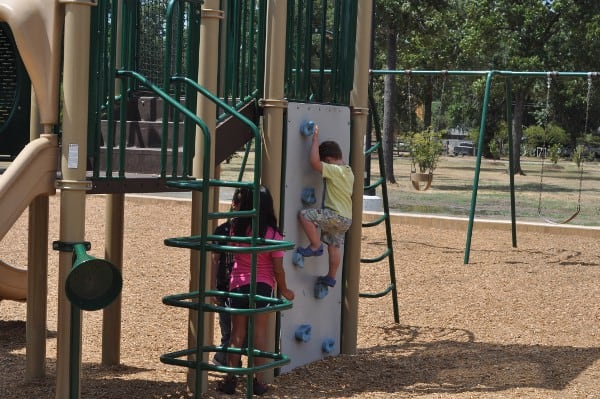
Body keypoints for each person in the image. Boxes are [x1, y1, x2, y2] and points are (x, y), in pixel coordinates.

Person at [218, 185, 294, 396]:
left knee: (237, 333)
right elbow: (278, 268)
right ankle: (258, 381)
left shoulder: (237, 229)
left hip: (238, 285)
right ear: (268, 207)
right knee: (259, 333)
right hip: (263, 286)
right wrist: (285, 290)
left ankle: (230, 379)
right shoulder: (272, 234)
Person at [297, 124, 354, 288]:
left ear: (328, 160)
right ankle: (331, 277)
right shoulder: (348, 171)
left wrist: (314, 139)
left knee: (304, 215)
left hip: (334, 215)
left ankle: (315, 245)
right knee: (334, 247)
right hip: (346, 219)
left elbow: (314, 162)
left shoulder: (335, 170)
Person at [210, 190, 240, 366]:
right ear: (234, 205)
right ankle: (225, 360)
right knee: (227, 329)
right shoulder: (222, 230)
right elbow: (215, 260)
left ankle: (227, 360)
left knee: (239, 329)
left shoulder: (248, 232)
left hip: (240, 286)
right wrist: (212, 286)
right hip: (224, 285)